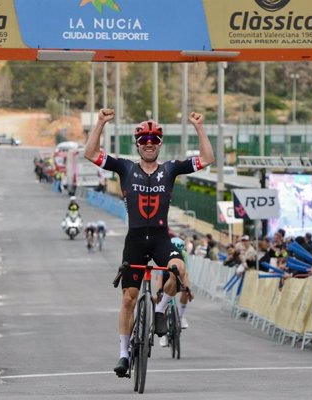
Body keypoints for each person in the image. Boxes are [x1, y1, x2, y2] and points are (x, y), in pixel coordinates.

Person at [84, 108, 214, 377]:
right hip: (134, 240)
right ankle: (123, 355)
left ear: (159, 145)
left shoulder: (170, 169)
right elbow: (90, 154)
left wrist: (199, 127)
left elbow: (208, 158)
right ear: (138, 145)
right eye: (144, 140)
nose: (149, 144)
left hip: (160, 237)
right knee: (129, 300)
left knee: (178, 270)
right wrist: (100, 123)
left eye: (154, 140)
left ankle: (160, 309)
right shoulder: (125, 167)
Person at [159, 236, 192, 348]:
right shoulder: (165, 253)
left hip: (179, 275)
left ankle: (181, 317)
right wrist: (159, 291)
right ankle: (163, 333)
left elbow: (185, 274)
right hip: (166, 276)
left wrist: (188, 289)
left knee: (186, 291)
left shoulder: (184, 256)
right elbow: (159, 277)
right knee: (161, 299)